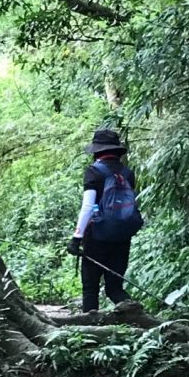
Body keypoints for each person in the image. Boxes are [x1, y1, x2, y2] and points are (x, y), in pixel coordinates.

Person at [66, 129, 141, 312]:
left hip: (97, 236)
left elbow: (88, 206)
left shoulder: (94, 172)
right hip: (123, 235)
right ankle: (136, 319)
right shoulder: (127, 173)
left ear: (97, 151)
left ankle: (88, 331)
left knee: (90, 287)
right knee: (114, 288)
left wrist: (77, 237)